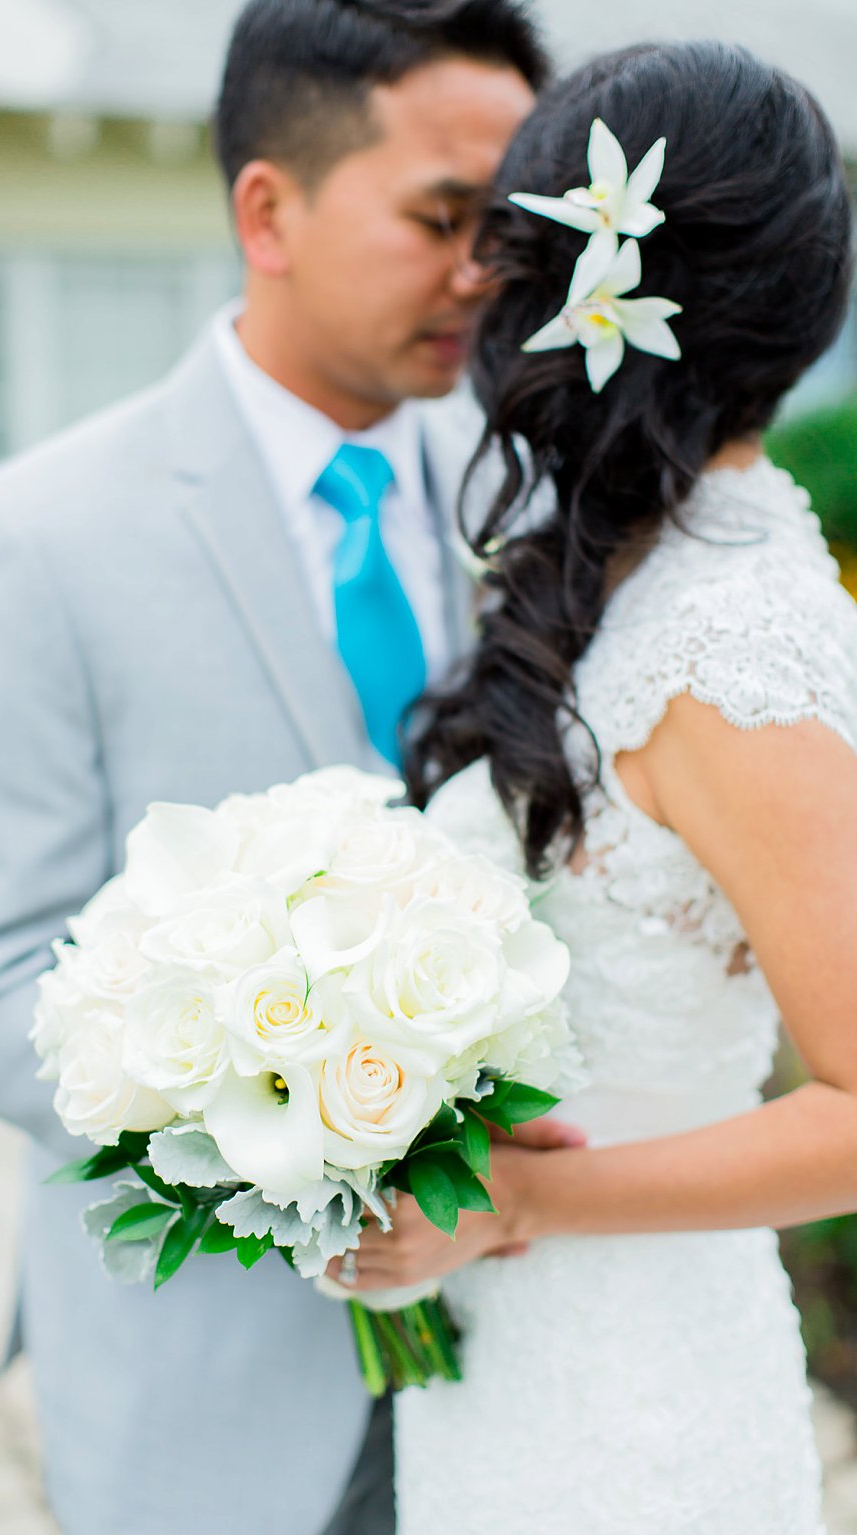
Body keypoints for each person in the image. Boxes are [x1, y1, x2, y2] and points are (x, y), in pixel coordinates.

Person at [0, 3, 549, 1530]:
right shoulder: (39, 534)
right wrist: (297, 1117)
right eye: (444, 219)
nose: (486, 275)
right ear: (270, 206)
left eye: (508, 229)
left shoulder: (529, 501)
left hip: (532, 1342)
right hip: (203, 1376)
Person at [329, 41, 857, 1532]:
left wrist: (526, 1198)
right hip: (512, 1370)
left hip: (644, 1415)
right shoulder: (624, 566)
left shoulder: (732, 641)